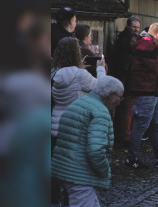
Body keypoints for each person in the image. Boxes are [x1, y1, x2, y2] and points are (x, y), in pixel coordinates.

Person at [51, 37, 106, 206]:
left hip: (56, 129)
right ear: (77, 52)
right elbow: (103, 87)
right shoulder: (81, 75)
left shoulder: (53, 73)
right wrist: (101, 70)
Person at [51, 76, 123, 207]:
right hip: (81, 176)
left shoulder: (77, 104)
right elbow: (96, 150)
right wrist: (104, 171)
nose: (119, 102)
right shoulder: (100, 112)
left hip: (63, 170)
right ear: (111, 95)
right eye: (119, 97)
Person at [126, 21, 158, 169]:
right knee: (141, 127)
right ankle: (132, 158)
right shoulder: (146, 46)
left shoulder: (151, 46)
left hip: (153, 91)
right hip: (146, 92)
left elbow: (155, 66)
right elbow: (154, 67)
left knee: (156, 126)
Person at [109, 16, 141, 146]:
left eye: (138, 28)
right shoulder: (124, 43)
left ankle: (124, 135)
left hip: (127, 81)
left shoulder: (126, 41)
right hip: (126, 82)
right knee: (126, 111)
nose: (136, 30)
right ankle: (125, 137)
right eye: (134, 27)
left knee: (126, 111)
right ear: (128, 26)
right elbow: (123, 66)